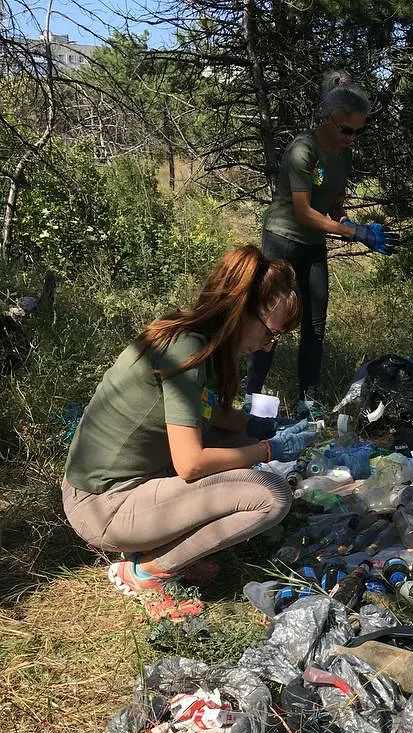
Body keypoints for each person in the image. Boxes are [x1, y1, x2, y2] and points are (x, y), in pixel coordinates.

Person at [62, 246, 318, 621]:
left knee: (241, 451)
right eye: (270, 332)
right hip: (103, 506)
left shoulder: (202, 342)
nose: (268, 346)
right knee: (272, 497)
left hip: (125, 487)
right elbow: (191, 463)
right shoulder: (187, 349)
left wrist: (254, 426)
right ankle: (145, 571)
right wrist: (266, 449)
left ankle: (160, 543)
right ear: (241, 309)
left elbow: (207, 413)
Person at [248, 70, 395, 410]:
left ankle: (307, 401)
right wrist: (352, 233)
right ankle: (251, 395)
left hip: (313, 245)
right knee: (273, 319)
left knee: (315, 325)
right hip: (283, 239)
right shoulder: (304, 151)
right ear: (329, 119)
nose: (352, 138)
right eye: (346, 130)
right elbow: (303, 212)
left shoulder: (343, 154)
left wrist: (353, 223)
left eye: (359, 131)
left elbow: (333, 205)